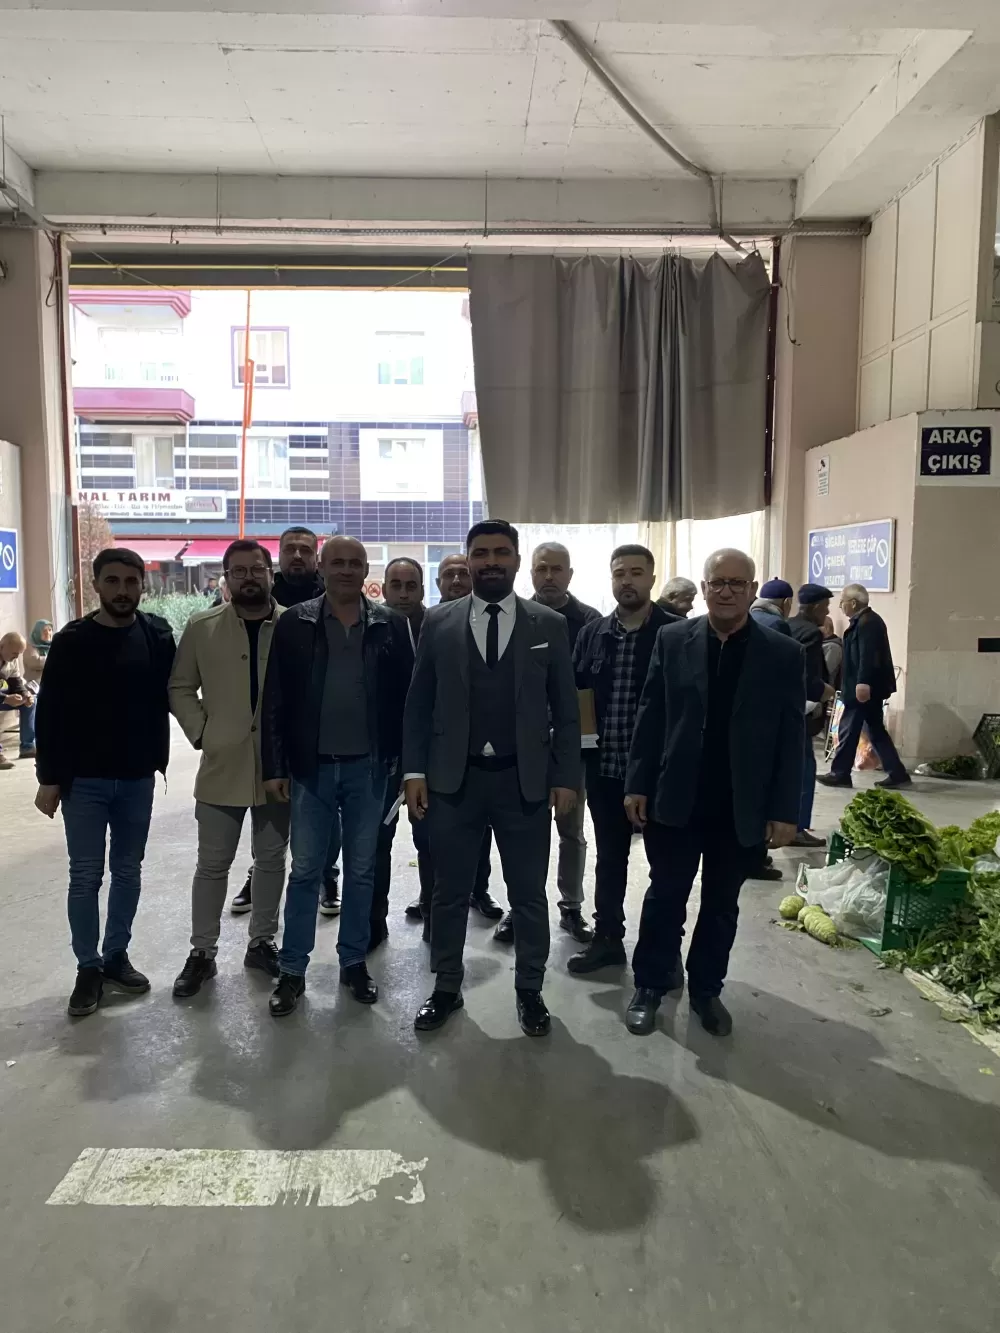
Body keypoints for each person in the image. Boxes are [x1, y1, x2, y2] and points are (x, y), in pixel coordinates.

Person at [403, 520, 581, 1036]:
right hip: (453, 781)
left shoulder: (548, 624)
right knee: (448, 891)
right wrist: (414, 770)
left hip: (523, 782)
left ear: (517, 560)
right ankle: (445, 987)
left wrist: (566, 775)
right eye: (481, 553)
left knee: (528, 894)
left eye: (501, 552)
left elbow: (566, 710)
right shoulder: (438, 621)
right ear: (468, 560)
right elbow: (418, 703)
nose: (491, 562)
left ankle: (530, 990)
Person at [623, 548, 805, 1038]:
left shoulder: (782, 653)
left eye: (736, 583)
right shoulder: (672, 639)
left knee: (722, 905)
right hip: (677, 797)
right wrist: (637, 783)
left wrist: (786, 809)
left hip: (740, 804)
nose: (726, 591)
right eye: (717, 582)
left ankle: (706, 989)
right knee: (665, 897)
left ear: (752, 590)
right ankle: (650, 984)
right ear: (703, 589)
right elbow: (651, 715)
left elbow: (791, 737)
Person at [261, 535, 412, 1015]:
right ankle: (292, 970)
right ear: (321, 568)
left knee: (362, 870)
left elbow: (407, 702)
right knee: (306, 870)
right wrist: (274, 766)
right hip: (312, 769)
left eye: (355, 563)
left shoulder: (391, 625)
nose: (346, 570)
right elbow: (275, 699)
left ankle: (353, 962)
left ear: (366, 571)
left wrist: (406, 766)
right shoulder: (295, 623)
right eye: (337, 562)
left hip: (371, 768)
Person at [33, 548, 175, 1017]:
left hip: (137, 778)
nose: (122, 590)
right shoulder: (72, 641)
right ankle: (88, 967)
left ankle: (116, 956)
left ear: (142, 585)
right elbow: (50, 713)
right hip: (85, 781)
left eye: (131, 582)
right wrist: (49, 778)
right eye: (112, 581)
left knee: (128, 871)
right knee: (85, 876)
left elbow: (178, 690)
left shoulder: (157, 635)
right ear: (96, 585)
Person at [169, 539, 289, 997]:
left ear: (270, 574)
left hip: (278, 768)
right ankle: (202, 952)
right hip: (222, 764)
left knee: (272, 859)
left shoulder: (294, 625)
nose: (249, 578)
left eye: (256, 569)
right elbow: (180, 686)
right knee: (212, 864)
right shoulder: (202, 627)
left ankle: (262, 942)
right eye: (239, 571)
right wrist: (203, 732)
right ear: (226, 577)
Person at [567, 545, 683, 973]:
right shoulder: (592, 633)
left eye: (636, 572)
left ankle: (664, 950)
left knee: (665, 866)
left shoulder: (677, 633)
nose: (627, 581)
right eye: (620, 573)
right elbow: (578, 696)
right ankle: (608, 939)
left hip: (660, 775)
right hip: (605, 770)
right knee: (609, 859)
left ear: (652, 578)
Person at [490, 540, 599, 947]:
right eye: (542, 569)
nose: (549, 576)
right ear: (530, 572)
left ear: (570, 574)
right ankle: (522, 908)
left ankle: (571, 906)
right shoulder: (514, 616)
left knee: (571, 830)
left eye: (557, 569)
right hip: (523, 746)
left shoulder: (589, 621)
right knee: (524, 833)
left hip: (572, 744)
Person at [232, 525, 341, 916]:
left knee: (327, 809)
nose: (297, 555)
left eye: (305, 550)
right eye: (290, 549)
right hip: (269, 721)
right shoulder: (262, 596)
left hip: (321, 725)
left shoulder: (332, 597)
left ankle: (328, 874)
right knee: (268, 809)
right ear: (278, 556)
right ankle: (258, 874)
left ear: (316, 557)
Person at [403, 552, 501, 932]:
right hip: (435, 750)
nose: (457, 580)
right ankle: (430, 898)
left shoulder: (489, 620)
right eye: (449, 574)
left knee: (481, 831)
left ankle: (480, 890)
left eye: (463, 573)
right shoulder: (428, 622)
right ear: (438, 583)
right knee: (429, 834)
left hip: (480, 751)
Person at [818, 583, 909, 790]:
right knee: (875, 730)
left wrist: (863, 682)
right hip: (864, 687)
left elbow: (868, 656)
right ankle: (897, 773)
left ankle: (840, 773)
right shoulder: (865, 621)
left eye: (842, 602)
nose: (840, 606)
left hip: (863, 689)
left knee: (849, 729)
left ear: (853, 603)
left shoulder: (868, 623)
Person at [788, 583, 836, 848]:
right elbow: (806, 674)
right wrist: (823, 691)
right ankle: (797, 827)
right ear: (816, 607)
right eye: (825, 607)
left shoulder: (789, 625)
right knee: (805, 770)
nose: (827, 612)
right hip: (802, 711)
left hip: (785, 710)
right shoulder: (810, 633)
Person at [0, 632, 36, 766]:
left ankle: (27, 747)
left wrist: (25, 694)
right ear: (2, 646)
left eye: (19, 654)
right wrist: (5, 698)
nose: (16, 657)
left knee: (30, 702)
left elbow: (16, 684)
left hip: (2, 695)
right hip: (2, 697)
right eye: (14, 653)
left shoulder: (12, 660)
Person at [23, 619, 52, 686]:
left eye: (50, 630)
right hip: (34, 686)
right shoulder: (30, 646)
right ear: (37, 633)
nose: (48, 633)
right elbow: (36, 662)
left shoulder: (52, 645)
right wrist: (54, 658)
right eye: (44, 631)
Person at [821, 615, 843, 692]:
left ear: (826, 629)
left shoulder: (833, 647)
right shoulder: (822, 644)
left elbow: (825, 672)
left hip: (826, 690)